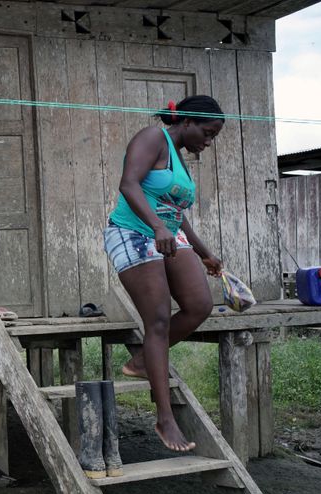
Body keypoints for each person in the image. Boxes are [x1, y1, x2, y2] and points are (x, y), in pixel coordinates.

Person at [103, 95, 225, 452]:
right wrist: (157, 226)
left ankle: (143, 360)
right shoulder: (152, 138)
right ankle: (164, 417)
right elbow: (129, 184)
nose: (208, 140)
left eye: (214, 135)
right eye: (207, 131)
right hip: (132, 231)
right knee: (156, 319)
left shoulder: (181, 162)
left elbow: (176, 211)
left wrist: (206, 254)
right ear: (186, 122)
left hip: (167, 233)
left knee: (199, 304)